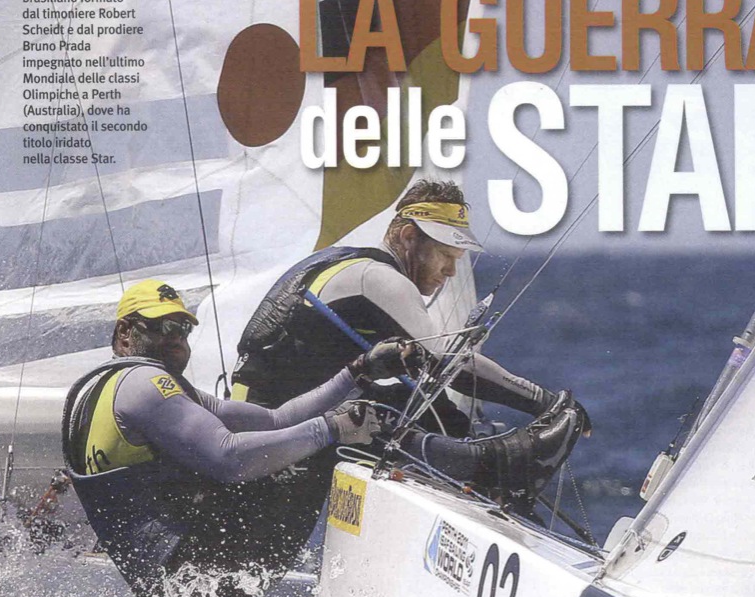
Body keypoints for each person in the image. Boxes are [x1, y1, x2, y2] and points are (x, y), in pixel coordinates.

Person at [232, 180, 589, 534]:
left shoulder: (346, 262)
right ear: (407, 237)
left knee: (433, 412)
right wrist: (547, 402)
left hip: (271, 418)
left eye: (456, 259)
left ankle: (485, 492)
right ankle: (494, 468)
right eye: (445, 255)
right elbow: (450, 365)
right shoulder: (378, 278)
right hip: (271, 434)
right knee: (255, 558)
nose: (451, 272)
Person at [61, 277, 407, 597]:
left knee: (297, 440)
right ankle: (383, 594)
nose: (178, 340)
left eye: (183, 329)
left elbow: (274, 420)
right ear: (125, 333)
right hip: (205, 576)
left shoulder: (101, 390)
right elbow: (231, 458)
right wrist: (333, 429)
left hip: (174, 591)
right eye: (165, 327)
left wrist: (357, 372)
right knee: (319, 450)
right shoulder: (144, 384)